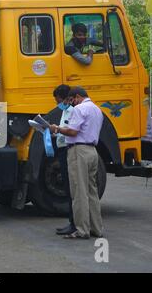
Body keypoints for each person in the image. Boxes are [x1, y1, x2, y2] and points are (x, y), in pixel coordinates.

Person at [50, 87, 104, 240]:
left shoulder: (79, 109)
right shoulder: (97, 110)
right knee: (92, 191)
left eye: (72, 100)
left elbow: (72, 132)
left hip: (78, 151)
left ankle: (82, 230)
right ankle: (96, 228)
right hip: (93, 152)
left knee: (79, 192)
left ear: (77, 97)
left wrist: (57, 129)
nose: (71, 103)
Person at [52, 85, 76, 236]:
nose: (57, 103)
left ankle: (74, 223)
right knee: (68, 188)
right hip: (62, 148)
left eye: (59, 100)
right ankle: (71, 221)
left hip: (68, 150)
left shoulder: (73, 111)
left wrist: (57, 130)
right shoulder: (66, 110)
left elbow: (70, 131)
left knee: (70, 187)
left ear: (67, 98)